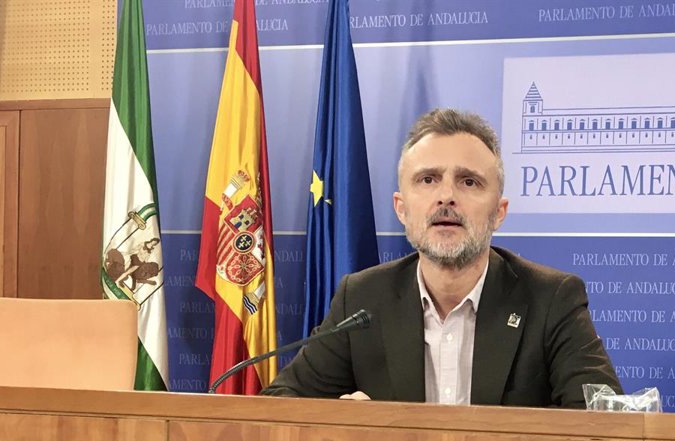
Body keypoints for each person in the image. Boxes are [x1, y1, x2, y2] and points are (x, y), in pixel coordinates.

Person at [262, 108, 622, 407]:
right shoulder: (363, 299)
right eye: (428, 180)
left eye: (469, 182)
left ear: (499, 212)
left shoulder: (551, 299)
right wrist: (341, 426)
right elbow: (279, 405)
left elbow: (604, 421)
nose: (446, 196)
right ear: (401, 209)